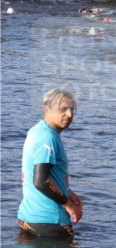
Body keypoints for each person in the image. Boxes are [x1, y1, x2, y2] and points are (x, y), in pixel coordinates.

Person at [18, 89, 83, 239]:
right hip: (50, 221)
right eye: (63, 109)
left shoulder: (37, 131)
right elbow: (41, 181)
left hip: (28, 218)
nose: (69, 115)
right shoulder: (47, 138)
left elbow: (41, 174)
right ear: (46, 108)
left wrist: (68, 191)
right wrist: (69, 205)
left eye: (72, 109)